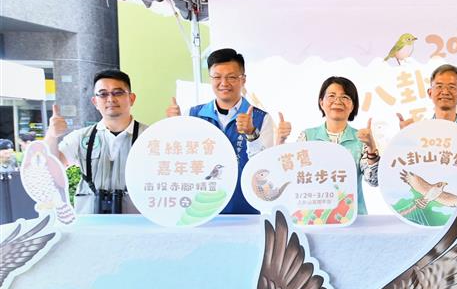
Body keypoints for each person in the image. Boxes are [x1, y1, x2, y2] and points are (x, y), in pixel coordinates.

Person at [167, 48, 291, 214]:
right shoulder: (193, 114)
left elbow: (264, 168)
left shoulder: (261, 118)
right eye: (217, 77)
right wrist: (173, 126)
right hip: (202, 209)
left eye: (231, 77)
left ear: (243, 79)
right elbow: (180, 159)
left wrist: (251, 134)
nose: (224, 83)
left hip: (246, 210)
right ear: (210, 79)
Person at [44, 69, 145, 214]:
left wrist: (174, 128)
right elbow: (51, 169)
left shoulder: (150, 137)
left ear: (131, 98)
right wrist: (52, 135)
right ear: (95, 102)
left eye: (118, 92)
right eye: (103, 94)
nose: (110, 99)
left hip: (138, 222)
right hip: (90, 222)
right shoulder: (80, 137)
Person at [299, 76, 379, 215]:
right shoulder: (307, 137)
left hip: (354, 217)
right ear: (321, 102)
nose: (338, 101)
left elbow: (374, 181)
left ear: (352, 106)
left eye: (345, 97)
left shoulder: (361, 139)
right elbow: (295, 177)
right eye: (331, 96)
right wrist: (280, 140)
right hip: (314, 217)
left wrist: (371, 148)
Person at [398, 63, 457, 157]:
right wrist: (405, 137)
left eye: (452, 87)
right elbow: (404, 161)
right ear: (430, 93)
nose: (445, 92)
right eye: (439, 86)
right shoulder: (419, 131)